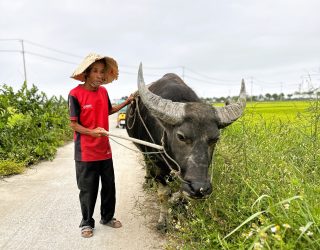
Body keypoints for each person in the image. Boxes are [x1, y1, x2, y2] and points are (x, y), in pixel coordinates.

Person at [68, 53, 133, 238]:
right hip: (86, 152)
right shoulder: (75, 94)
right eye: (95, 71)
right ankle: (86, 222)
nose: (100, 75)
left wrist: (126, 103)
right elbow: (74, 124)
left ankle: (107, 217)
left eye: (102, 72)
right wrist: (92, 132)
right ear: (86, 73)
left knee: (109, 186)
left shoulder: (103, 92)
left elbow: (108, 110)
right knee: (88, 189)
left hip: (104, 150)